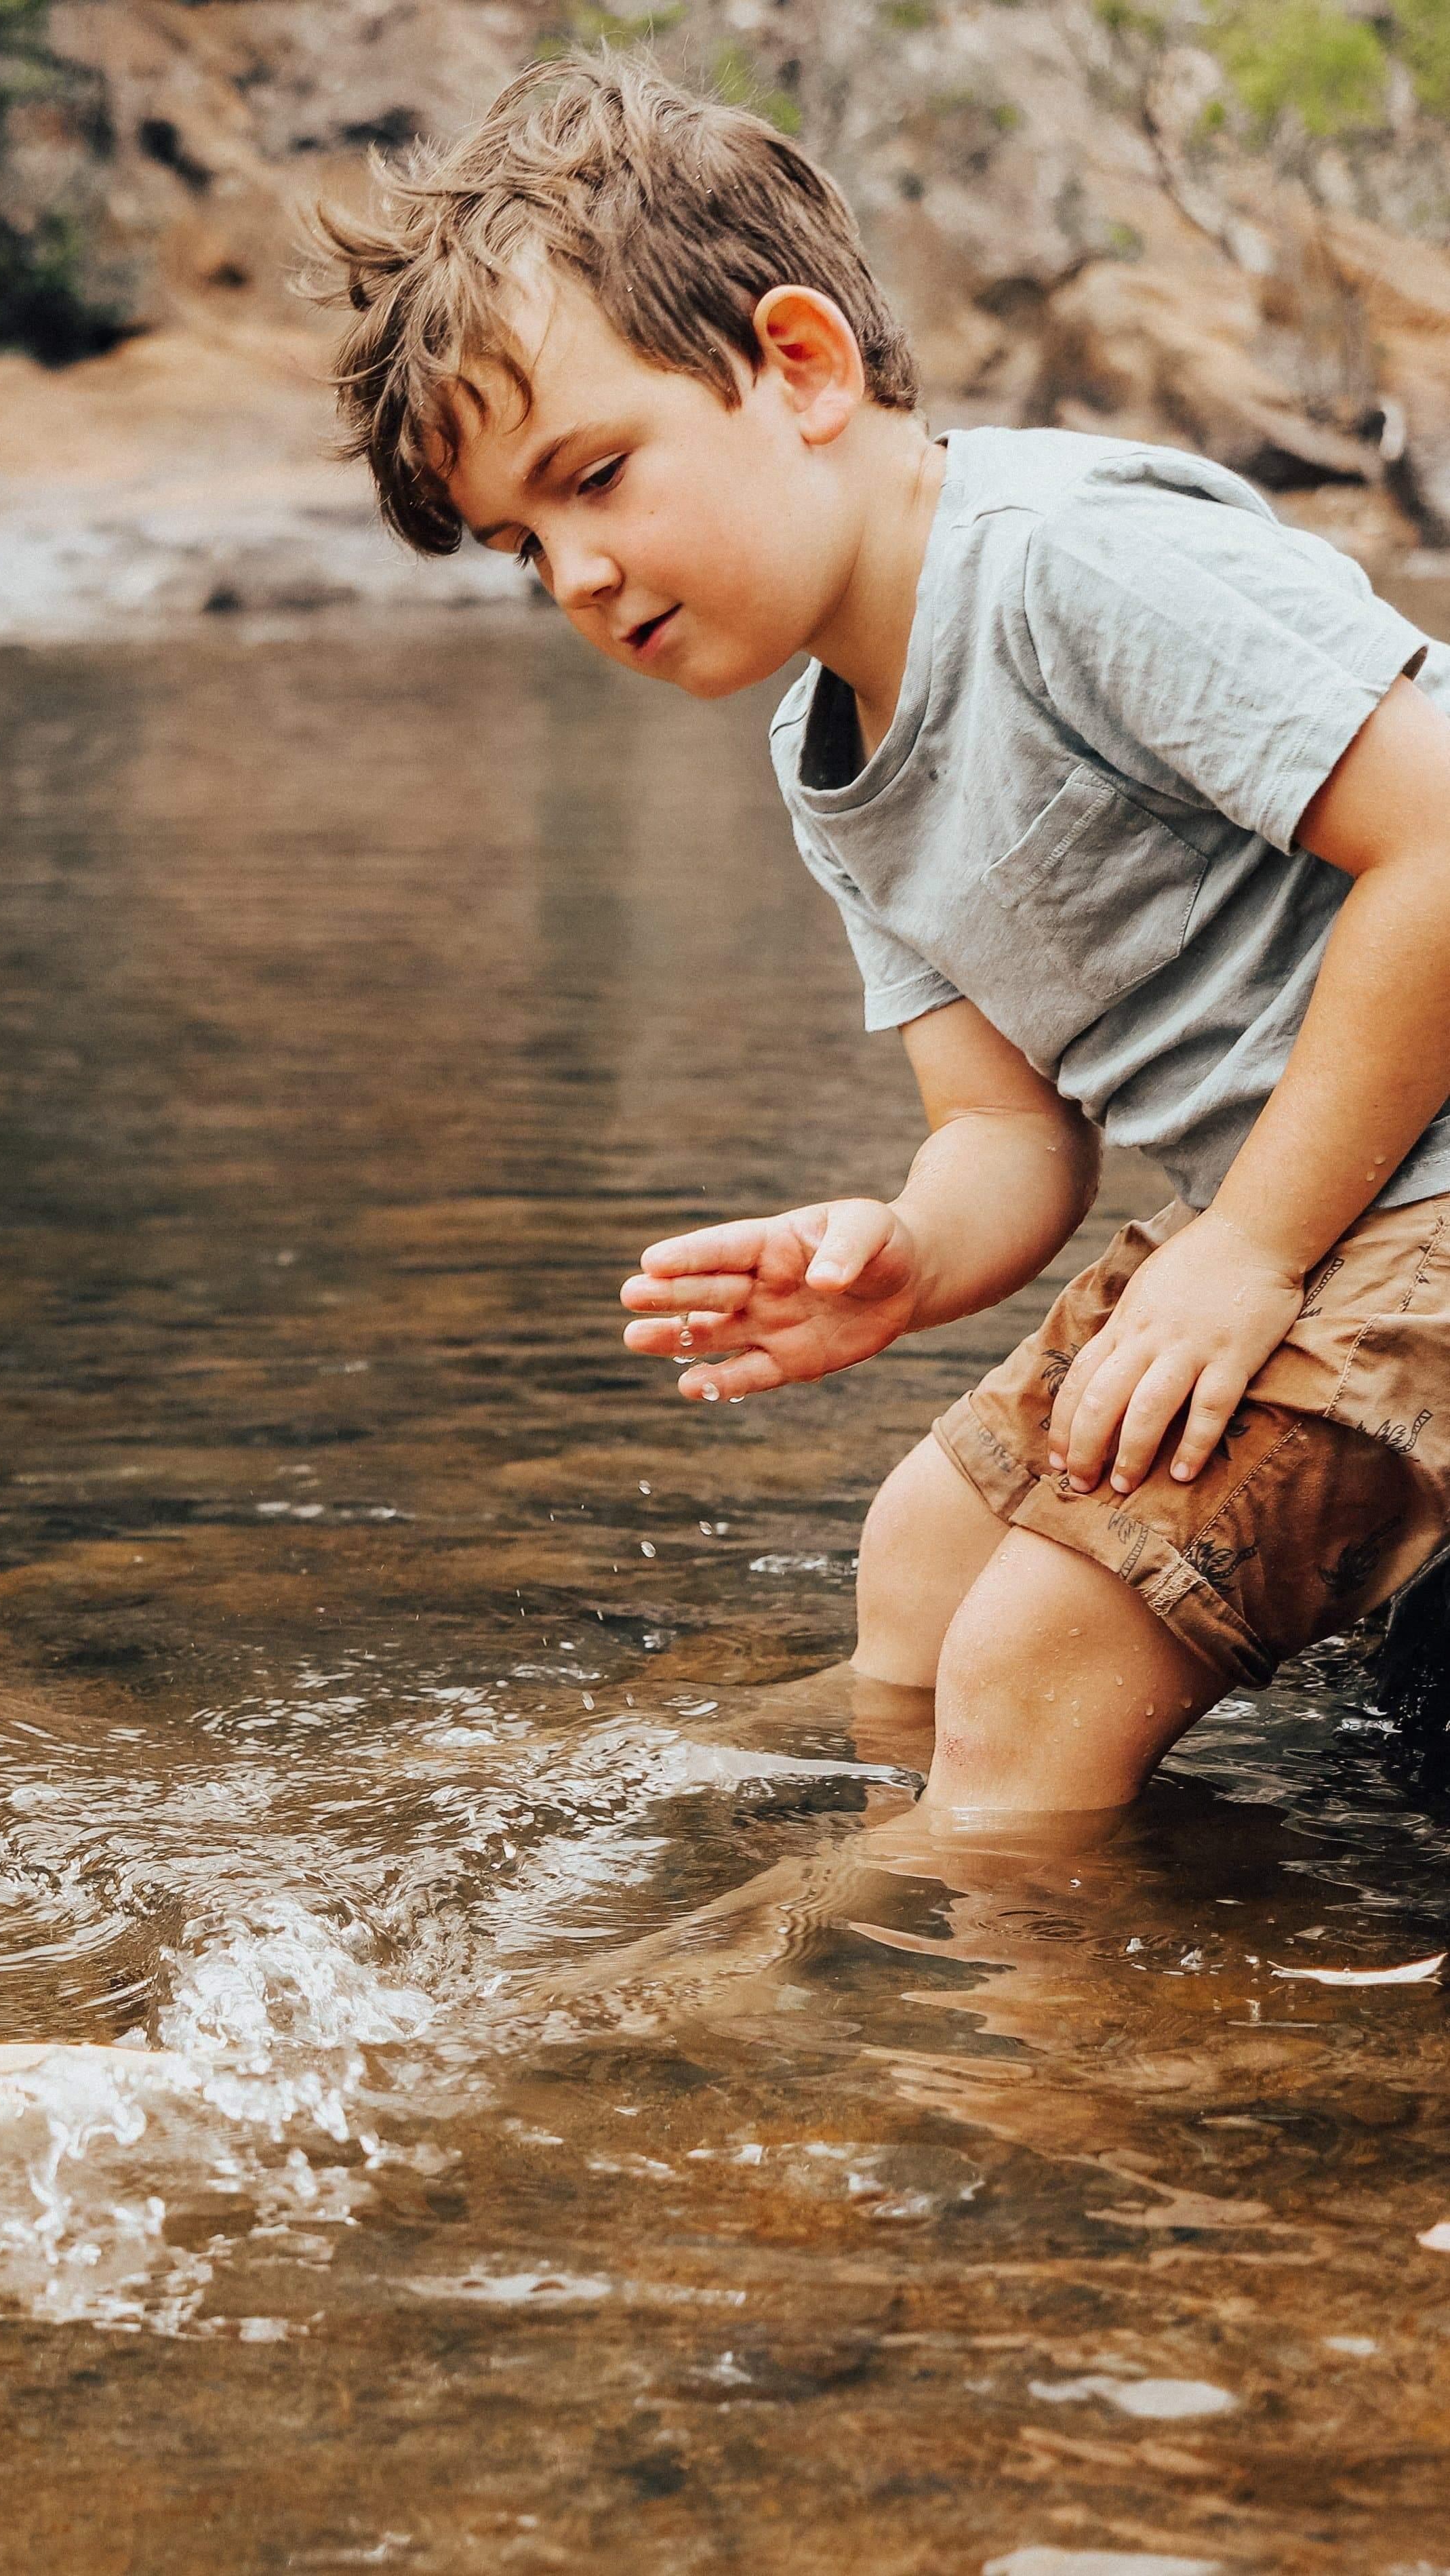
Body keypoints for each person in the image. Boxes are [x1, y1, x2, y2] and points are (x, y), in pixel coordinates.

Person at [306, 54, 1450, 1820]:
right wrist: (905, 1258)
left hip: (1413, 1197)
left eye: (597, 476)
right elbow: (1005, 1133)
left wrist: (1253, 1254)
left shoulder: (1071, 565)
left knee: (1026, 1668)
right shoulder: (827, 751)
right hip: (1300, 1213)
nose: (579, 579)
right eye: (519, 547)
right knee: (922, 1556)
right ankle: (888, 1894)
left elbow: (1444, 834)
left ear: (803, 366)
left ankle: (941, 2010)